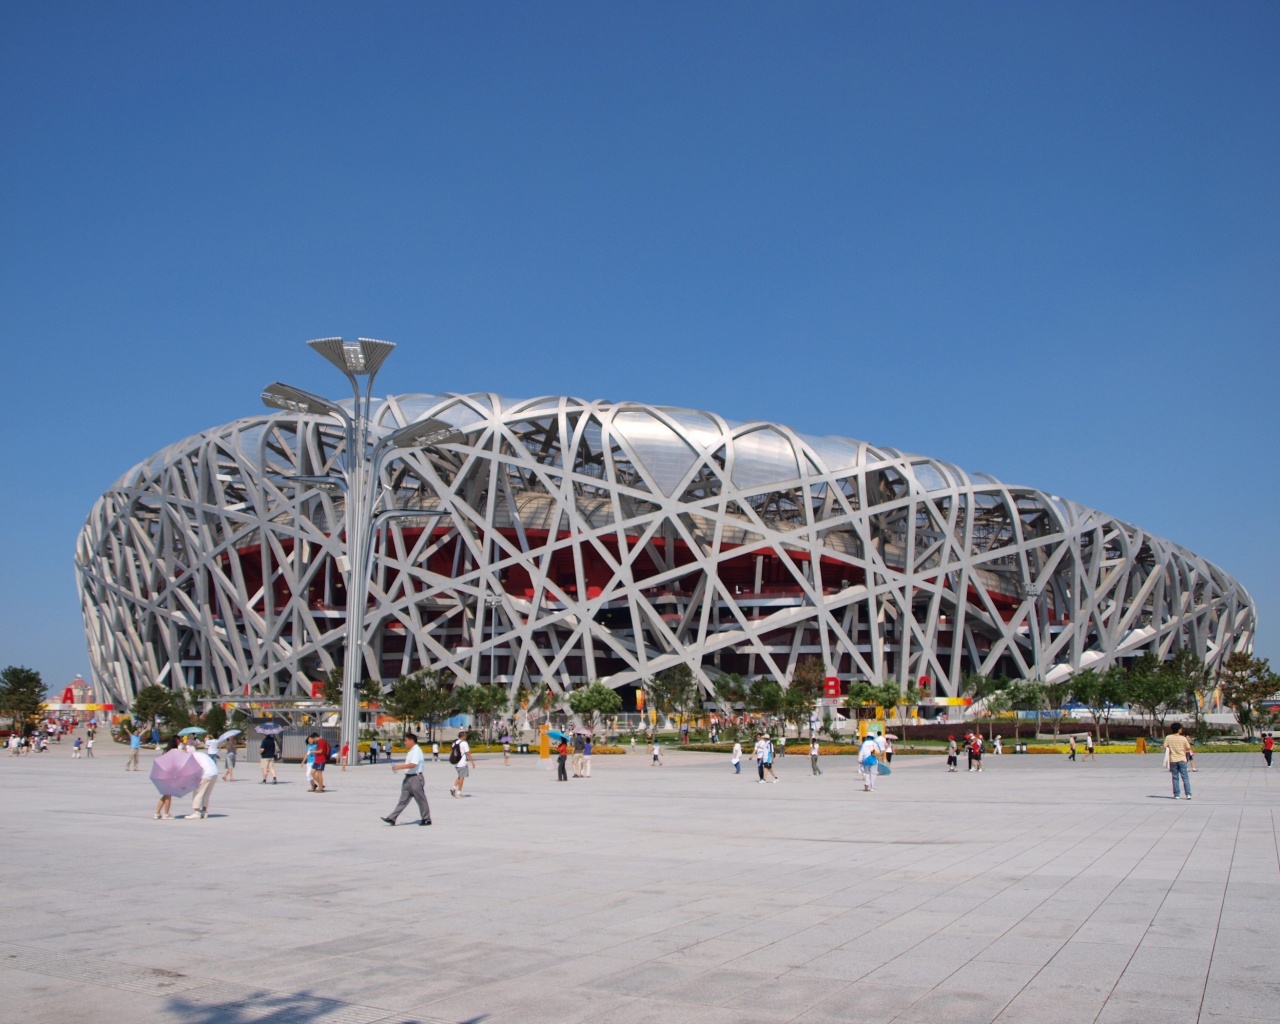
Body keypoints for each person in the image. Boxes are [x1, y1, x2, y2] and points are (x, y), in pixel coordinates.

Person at [382, 732, 431, 825]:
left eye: (406, 741)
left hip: (415, 778)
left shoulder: (416, 750)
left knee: (420, 799)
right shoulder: (411, 751)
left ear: (412, 741)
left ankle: (426, 818)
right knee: (403, 800)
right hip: (408, 778)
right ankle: (392, 818)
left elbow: (413, 764)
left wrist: (398, 767)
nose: (405, 743)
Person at [186, 742, 218, 819]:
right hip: (214, 773)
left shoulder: (193, 756)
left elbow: (195, 770)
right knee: (207, 793)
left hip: (206, 774)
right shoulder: (200, 754)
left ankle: (196, 812)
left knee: (198, 792)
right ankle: (204, 811)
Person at [1164, 723, 1193, 799]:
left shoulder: (1168, 737)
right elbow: (1188, 747)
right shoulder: (1183, 738)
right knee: (1185, 777)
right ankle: (1188, 794)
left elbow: (1165, 746)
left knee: (1175, 777)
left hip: (1173, 760)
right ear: (1179, 729)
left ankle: (1177, 794)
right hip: (1182, 759)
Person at [153, 737, 180, 819]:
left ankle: (157, 813)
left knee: (165, 795)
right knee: (168, 795)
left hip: (163, 774)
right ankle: (166, 814)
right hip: (170, 775)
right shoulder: (175, 751)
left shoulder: (165, 751)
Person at [449, 730, 474, 798]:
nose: (466, 736)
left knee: (460, 776)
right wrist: (472, 762)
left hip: (456, 763)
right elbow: (468, 753)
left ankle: (453, 788)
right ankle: (459, 792)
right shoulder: (464, 743)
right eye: (465, 735)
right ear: (463, 736)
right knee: (462, 778)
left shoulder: (455, 742)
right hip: (462, 763)